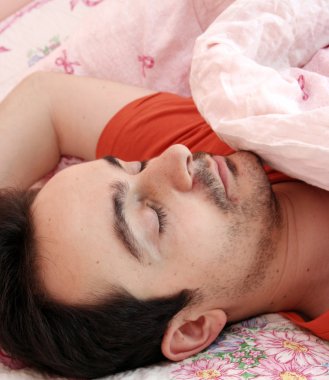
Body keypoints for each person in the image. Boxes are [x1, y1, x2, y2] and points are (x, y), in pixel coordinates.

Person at [0, 72, 328, 379]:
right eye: (155, 220)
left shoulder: (217, 153)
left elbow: (48, 100)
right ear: (192, 328)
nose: (176, 156)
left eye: (135, 167)